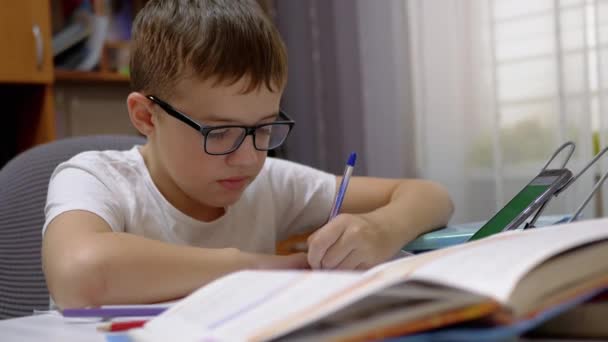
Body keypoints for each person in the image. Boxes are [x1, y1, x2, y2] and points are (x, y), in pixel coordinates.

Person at [42, 0, 453, 309]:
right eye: (220, 133)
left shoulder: (269, 183)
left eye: (263, 128)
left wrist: (379, 231)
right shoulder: (93, 178)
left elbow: (431, 196)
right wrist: (257, 267)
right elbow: (81, 272)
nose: (248, 159)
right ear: (146, 116)